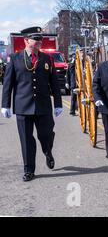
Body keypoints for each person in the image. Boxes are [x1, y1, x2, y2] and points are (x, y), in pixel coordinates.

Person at [1, 26, 63, 182]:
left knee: (46, 135)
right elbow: (8, 83)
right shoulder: (15, 59)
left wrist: (57, 103)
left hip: (43, 105)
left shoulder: (47, 59)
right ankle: (29, 170)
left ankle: (47, 151)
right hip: (22, 106)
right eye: (36, 39)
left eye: (40, 39)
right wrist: (5, 105)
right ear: (26, 41)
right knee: (26, 140)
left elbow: (54, 83)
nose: (39, 42)